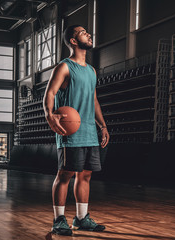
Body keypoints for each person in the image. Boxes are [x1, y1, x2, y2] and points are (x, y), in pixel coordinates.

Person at [43, 25, 109, 236]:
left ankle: (81, 219)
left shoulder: (91, 71)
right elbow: (50, 93)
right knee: (65, 175)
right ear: (73, 40)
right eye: (82, 32)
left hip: (90, 130)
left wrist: (103, 125)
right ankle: (58, 220)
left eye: (87, 32)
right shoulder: (64, 67)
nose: (88, 34)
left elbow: (94, 99)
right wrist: (49, 114)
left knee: (86, 176)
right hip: (70, 131)